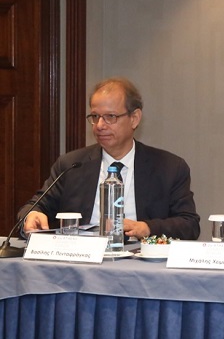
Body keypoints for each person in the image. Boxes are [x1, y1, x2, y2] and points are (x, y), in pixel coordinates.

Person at [19, 77, 200, 239]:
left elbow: (189, 224)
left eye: (110, 117)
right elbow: (34, 207)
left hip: (140, 259)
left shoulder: (169, 167)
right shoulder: (71, 165)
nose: (99, 125)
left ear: (134, 118)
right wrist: (32, 216)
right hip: (82, 258)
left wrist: (147, 228)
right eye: (95, 116)